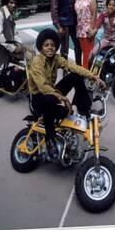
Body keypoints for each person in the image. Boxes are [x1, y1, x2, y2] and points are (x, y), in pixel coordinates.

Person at [28, 29, 105, 161]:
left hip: (51, 92)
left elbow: (74, 67)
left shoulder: (56, 59)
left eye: (52, 45)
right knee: (51, 103)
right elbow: (42, 86)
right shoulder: (37, 62)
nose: (50, 48)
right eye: (46, 45)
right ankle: (50, 139)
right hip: (38, 97)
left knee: (76, 76)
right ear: (41, 47)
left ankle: (84, 110)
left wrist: (94, 77)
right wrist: (62, 97)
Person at [51, 0, 81, 65]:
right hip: (63, 24)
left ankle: (78, 69)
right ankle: (64, 71)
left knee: (78, 46)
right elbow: (54, 9)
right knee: (64, 50)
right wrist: (58, 26)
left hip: (74, 23)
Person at [88, 0, 115, 67]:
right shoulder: (103, 15)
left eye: (114, 5)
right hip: (106, 40)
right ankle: (90, 73)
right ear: (107, 5)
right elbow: (98, 23)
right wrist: (94, 31)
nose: (111, 7)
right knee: (92, 53)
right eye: (109, 5)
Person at [74, 0, 97, 69]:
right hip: (79, 30)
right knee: (84, 52)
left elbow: (94, 16)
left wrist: (92, 30)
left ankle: (86, 75)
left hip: (88, 31)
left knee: (88, 54)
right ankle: (85, 73)